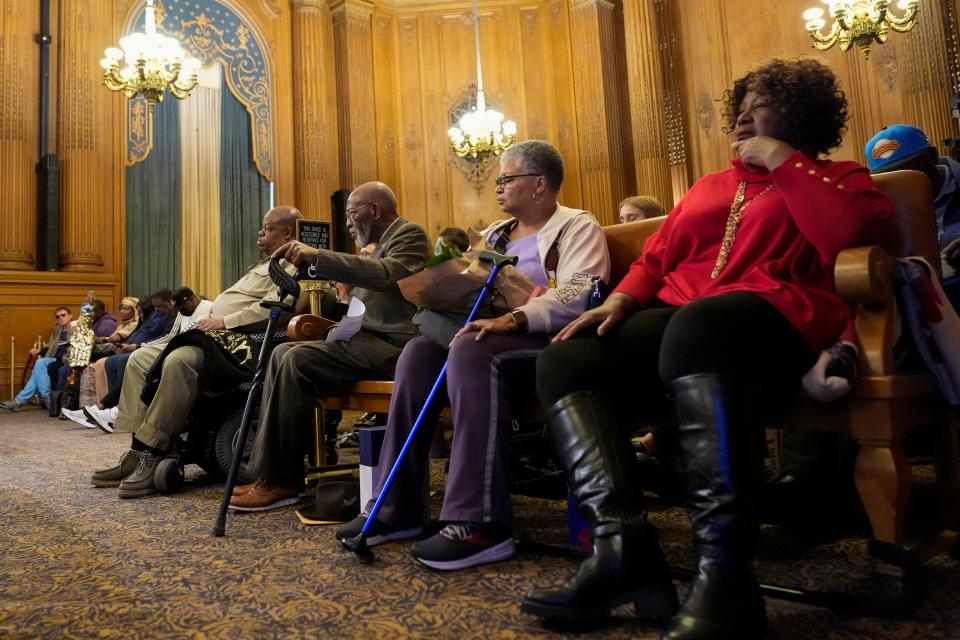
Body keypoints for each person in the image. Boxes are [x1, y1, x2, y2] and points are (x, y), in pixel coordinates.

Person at [522, 59, 894, 639]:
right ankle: (623, 549)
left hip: (778, 317)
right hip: (686, 325)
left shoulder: (839, 178)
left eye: (761, 104)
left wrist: (780, 161)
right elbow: (654, 259)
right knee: (566, 359)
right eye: (740, 107)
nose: (742, 116)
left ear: (799, 116)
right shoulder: (709, 187)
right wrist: (622, 300)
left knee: (700, 325)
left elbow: (848, 237)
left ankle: (726, 575)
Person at [334, 140, 611, 571]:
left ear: (539, 184)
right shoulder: (497, 233)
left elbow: (579, 296)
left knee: (470, 348)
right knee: (418, 352)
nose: (498, 187)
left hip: (549, 344)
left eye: (507, 178)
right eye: (498, 179)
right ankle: (396, 506)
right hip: (485, 337)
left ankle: (479, 521)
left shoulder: (577, 226)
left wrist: (514, 318)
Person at [230, 181, 431, 512]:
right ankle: (275, 475)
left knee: (296, 361)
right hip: (364, 338)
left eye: (352, 214)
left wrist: (321, 256)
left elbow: (385, 275)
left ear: (375, 210)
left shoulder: (409, 235)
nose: (348, 222)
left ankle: (282, 480)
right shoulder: (374, 244)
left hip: (396, 345)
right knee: (282, 354)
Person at [89, 206, 306, 495]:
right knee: (139, 359)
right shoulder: (264, 264)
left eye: (267, 228)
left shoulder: (295, 263)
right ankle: (137, 452)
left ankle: (153, 453)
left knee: (179, 361)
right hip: (214, 334)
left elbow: (278, 307)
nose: (260, 232)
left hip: (242, 341)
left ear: (288, 232)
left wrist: (224, 320)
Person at [64, 288, 212, 430]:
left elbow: (173, 337)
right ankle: (103, 410)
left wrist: (138, 346)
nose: (157, 310)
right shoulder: (170, 313)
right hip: (163, 348)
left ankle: (114, 411)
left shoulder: (203, 309)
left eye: (126, 308)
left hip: (178, 351)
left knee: (131, 360)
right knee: (112, 362)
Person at [865, 124, 960, 308]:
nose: (904, 184)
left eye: (911, 169)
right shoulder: (881, 212)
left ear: (932, 156)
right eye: (891, 177)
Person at [1, 307, 73, 411]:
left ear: (70, 316)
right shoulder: (57, 331)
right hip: (54, 358)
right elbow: (50, 346)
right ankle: (44, 398)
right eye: (58, 317)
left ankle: (21, 401)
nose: (61, 318)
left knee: (40, 364)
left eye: (63, 315)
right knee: (39, 366)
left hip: (67, 359)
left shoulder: (76, 330)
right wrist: (39, 350)